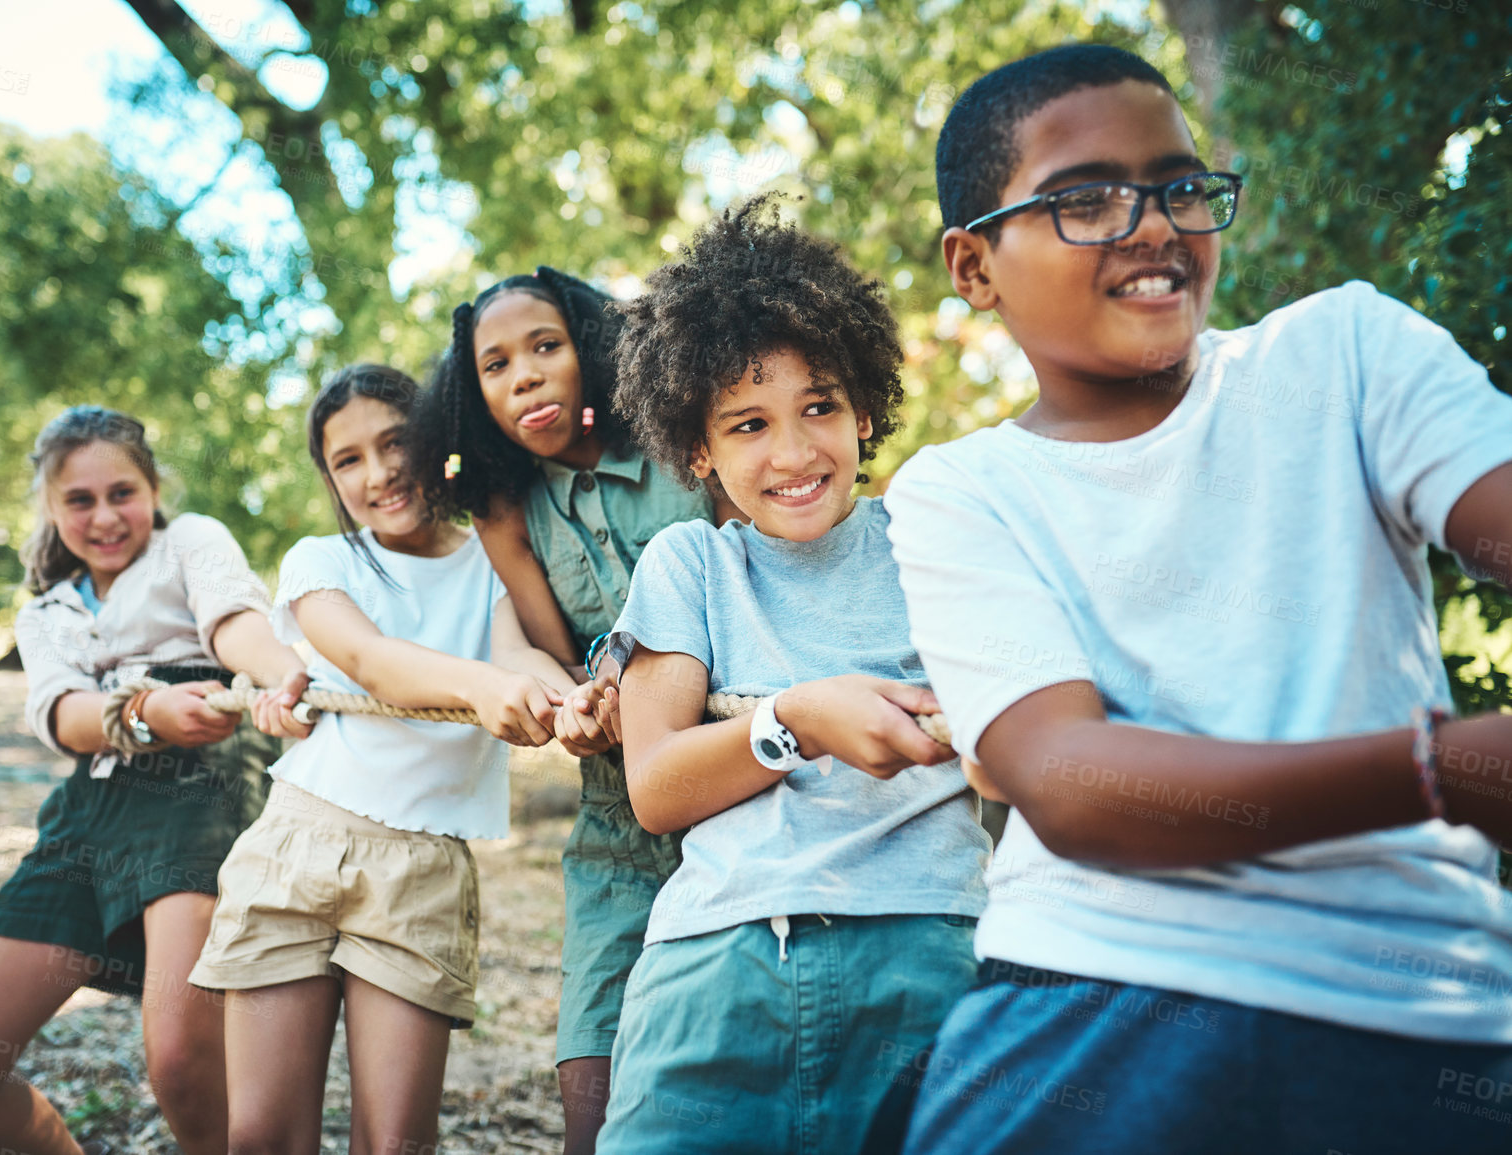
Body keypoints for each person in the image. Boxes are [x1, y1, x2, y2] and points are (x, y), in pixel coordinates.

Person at [884, 43, 1512, 1154]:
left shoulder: (1346, 354)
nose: (1155, 225)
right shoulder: (963, 490)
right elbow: (1071, 783)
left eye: (1181, 185)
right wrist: (1438, 768)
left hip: (1429, 1011)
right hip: (1095, 1002)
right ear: (973, 265)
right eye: (1085, 198)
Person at [592, 195, 991, 1154]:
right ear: (697, 447)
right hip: (720, 958)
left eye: (818, 406)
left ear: (863, 406)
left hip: (925, 948)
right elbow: (654, 786)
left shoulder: (932, 542)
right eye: (746, 424)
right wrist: (797, 719)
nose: (793, 451)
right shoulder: (690, 564)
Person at [0, 405, 312, 1155]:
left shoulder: (190, 541)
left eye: (122, 492)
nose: (104, 516)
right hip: (89, 805)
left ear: (153, 488)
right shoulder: (45, 614)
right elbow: (59, 714)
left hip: (201, 788)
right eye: (79, 501)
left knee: (183, 1061)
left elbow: (232, 623)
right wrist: (144, 711)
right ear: (53, 511)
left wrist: (283, 674)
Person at [186, 364, 568, 1155]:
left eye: (396, 442)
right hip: (295, 849)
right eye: (348, 459)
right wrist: (486, 686)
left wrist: (570, 697)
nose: (380, 471)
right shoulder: (320, 560)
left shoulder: (493, 559)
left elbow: (519, 653)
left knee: (394, 1142)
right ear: (329, 477)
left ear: (435, 442)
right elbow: (370, 659)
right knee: (260, 1135)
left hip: (419, 870)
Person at [416, 267, 736, 1151]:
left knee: (721, 1064)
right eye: (495, 365)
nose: (523, 375)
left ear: (590, 352)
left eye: (544, 347)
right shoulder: (505, 503)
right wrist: (573, 703)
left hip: (737, 784)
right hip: (613, 811)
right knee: (590, 1079)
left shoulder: (685, 447)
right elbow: (551, 651)